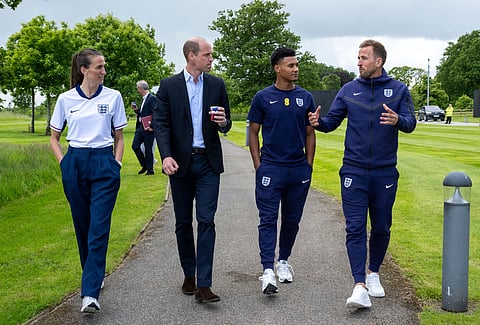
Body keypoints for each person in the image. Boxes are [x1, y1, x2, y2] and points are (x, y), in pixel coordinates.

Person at [308, 39, 416, 309]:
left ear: (378, 62)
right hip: (354, 171)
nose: (359, 62)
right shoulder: (348, 90)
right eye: (358, 58)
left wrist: (397, 121)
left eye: (364, 58)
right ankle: (359, 285)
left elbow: (411, 123)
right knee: (355, 227)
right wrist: (317, 122)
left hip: (384, 172)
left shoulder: (398, 90)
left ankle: (374, 272)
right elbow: (331, 122)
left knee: (381, 226)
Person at [153, 36, 231, 303]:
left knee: (207, 221)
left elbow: (226, 122)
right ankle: (189, 273)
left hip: (208, 163)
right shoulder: (168, 86)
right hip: (181, 165)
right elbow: (161, 125)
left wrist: (223, 122)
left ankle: (205, 283)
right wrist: (165, 156)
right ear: (191, 56)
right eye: (207, 55)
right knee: (183, 222)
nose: (211, 59)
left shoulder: (217, 84)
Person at [49, 48, 127, 313]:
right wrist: (64, 163)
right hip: (76, 162)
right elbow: (54, 137)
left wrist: (116, 164)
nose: (104, 71)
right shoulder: (66, 99)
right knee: (82, 226)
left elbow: (119, 137)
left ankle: (90, 294)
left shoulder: (114, 97)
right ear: (84, 70)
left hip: (104, 164)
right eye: (99, 67)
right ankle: (93, 275)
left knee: (99, 228)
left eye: (104, 66)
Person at [248, 47, 316, 295]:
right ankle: (267, 270)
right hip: (271, 168)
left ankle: (283, 261)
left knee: (291, 220)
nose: (295, 69)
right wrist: (259, 165)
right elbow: (253, 133)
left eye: (297, 65)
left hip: (298, 170)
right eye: (290, 65)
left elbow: (310, 134)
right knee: (267, 219)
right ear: (277, 68)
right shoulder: (262, 97)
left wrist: (308, 166)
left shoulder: (305, 97)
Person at [131, 80, 157, 175]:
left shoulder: (152, 99)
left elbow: (155, 113)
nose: (137, 90)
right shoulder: (144, 99)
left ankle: (150, 169)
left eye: (138, 88)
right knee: (135, 146)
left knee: (148, 149)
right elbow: (143, 114)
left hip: (148, 128)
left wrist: (152, 126)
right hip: (141, 127)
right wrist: (136, 110)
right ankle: (145, 165)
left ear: (142, 88)